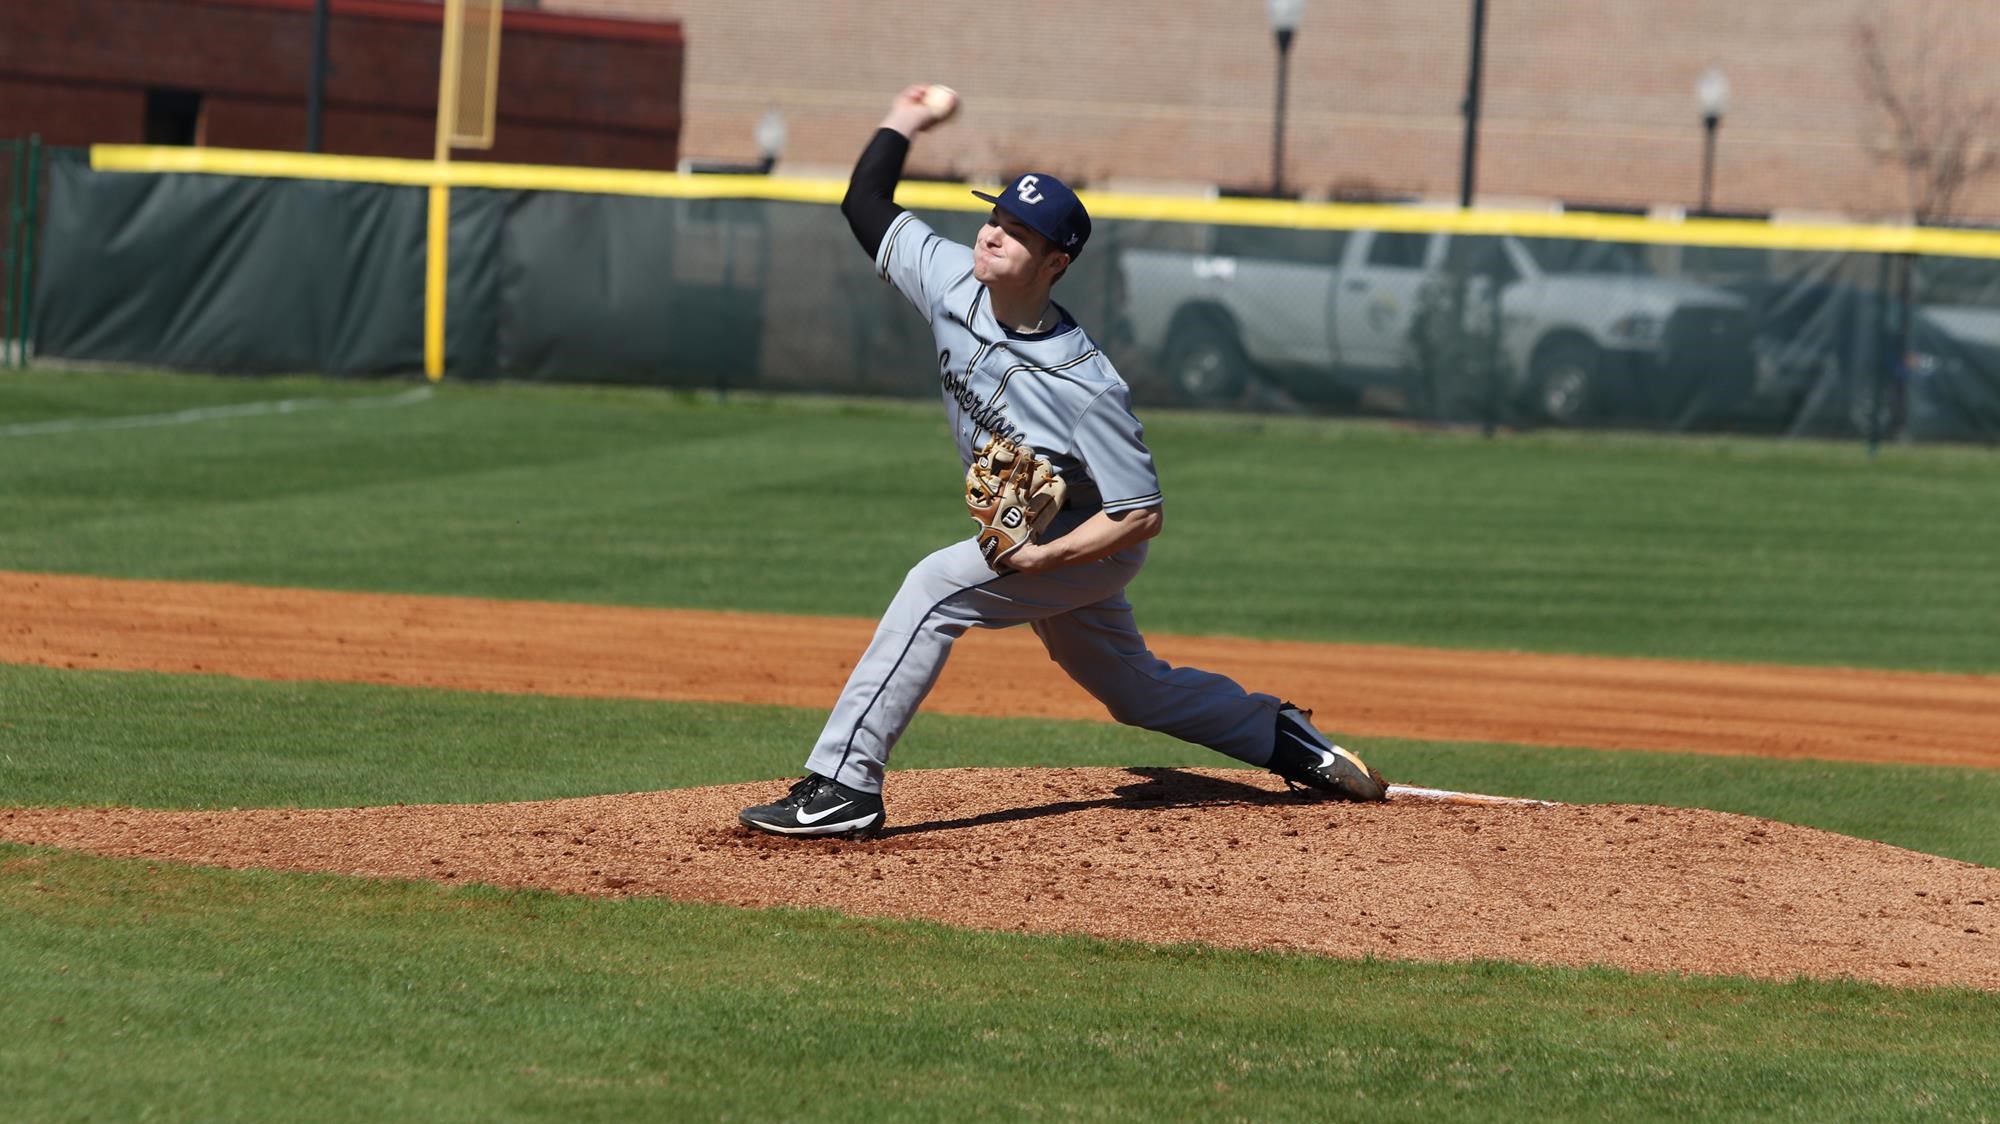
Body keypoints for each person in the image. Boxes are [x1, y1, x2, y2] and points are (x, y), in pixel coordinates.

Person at [739, 86, 1388, 839]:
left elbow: (1141, 514)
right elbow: (864, 202)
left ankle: (845, 786)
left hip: (1089, 540)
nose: (992, 234)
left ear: (1054, 262)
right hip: (1040, 535)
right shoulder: (950, 276)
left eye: (1016, 232)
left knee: (933, 589)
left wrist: (1047, 559)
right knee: (1132, 691)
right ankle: (1284, 737)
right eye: (995, 216)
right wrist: (906, 117)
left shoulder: (1087, 386)